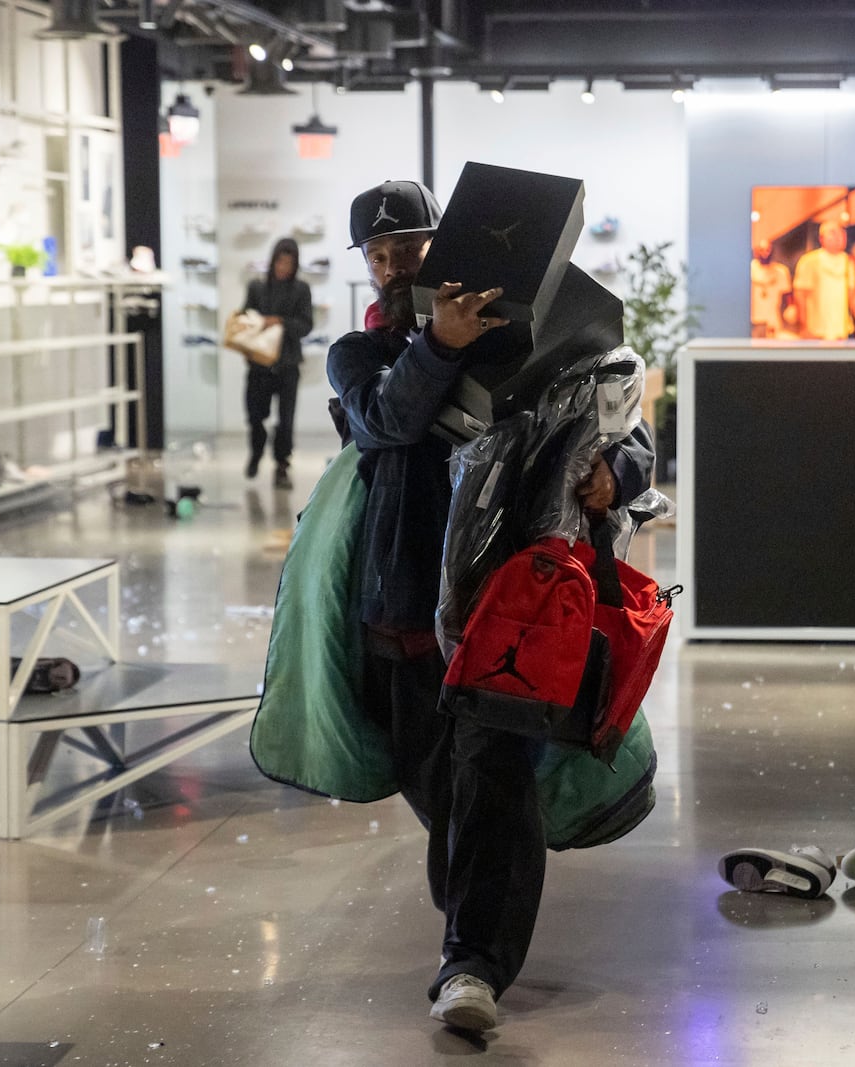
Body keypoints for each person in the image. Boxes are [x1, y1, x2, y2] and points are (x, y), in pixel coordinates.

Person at [326, 180, 655, 1034]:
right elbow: (386, 421)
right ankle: (469, 926)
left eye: (414, 246)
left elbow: (629, 430)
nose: (399, 264)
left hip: (513, 610)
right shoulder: (359, 357)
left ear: (448, 246)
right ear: (368, 265)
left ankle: (473, 963)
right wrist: (439, 342)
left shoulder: (535, 339)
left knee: (494, 778)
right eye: (382, 253)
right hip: (403, 614)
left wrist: (613, 475)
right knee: (443, 790)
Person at [243, 238, 313, 489]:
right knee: (255, 415)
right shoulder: (257, 288)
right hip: (259, 363)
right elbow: (245, 318)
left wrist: (280, 322)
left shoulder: (301, 290)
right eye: (280, 261)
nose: (283, 267)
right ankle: (257, 451)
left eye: (289, 263)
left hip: (288, 363)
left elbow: (306, 325)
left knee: (286, 419)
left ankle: (282, 464)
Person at [791, 221, 855, 340]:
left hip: (840, 332)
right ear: (821, 238)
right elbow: (800, 296)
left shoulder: (848, 262)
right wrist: (804, 327)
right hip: (816, 332)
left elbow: (853, 296)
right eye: (833, 233)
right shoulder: (809, 261)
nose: (838, 237)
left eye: (842, 233)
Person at [749, 238, 792, 338]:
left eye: (767, 250)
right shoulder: (749, 269)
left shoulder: (781, 271)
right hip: (753, 319)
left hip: (772, 318)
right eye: (761, 250)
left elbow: (787, 293)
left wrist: (791, 307)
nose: (765, 253)